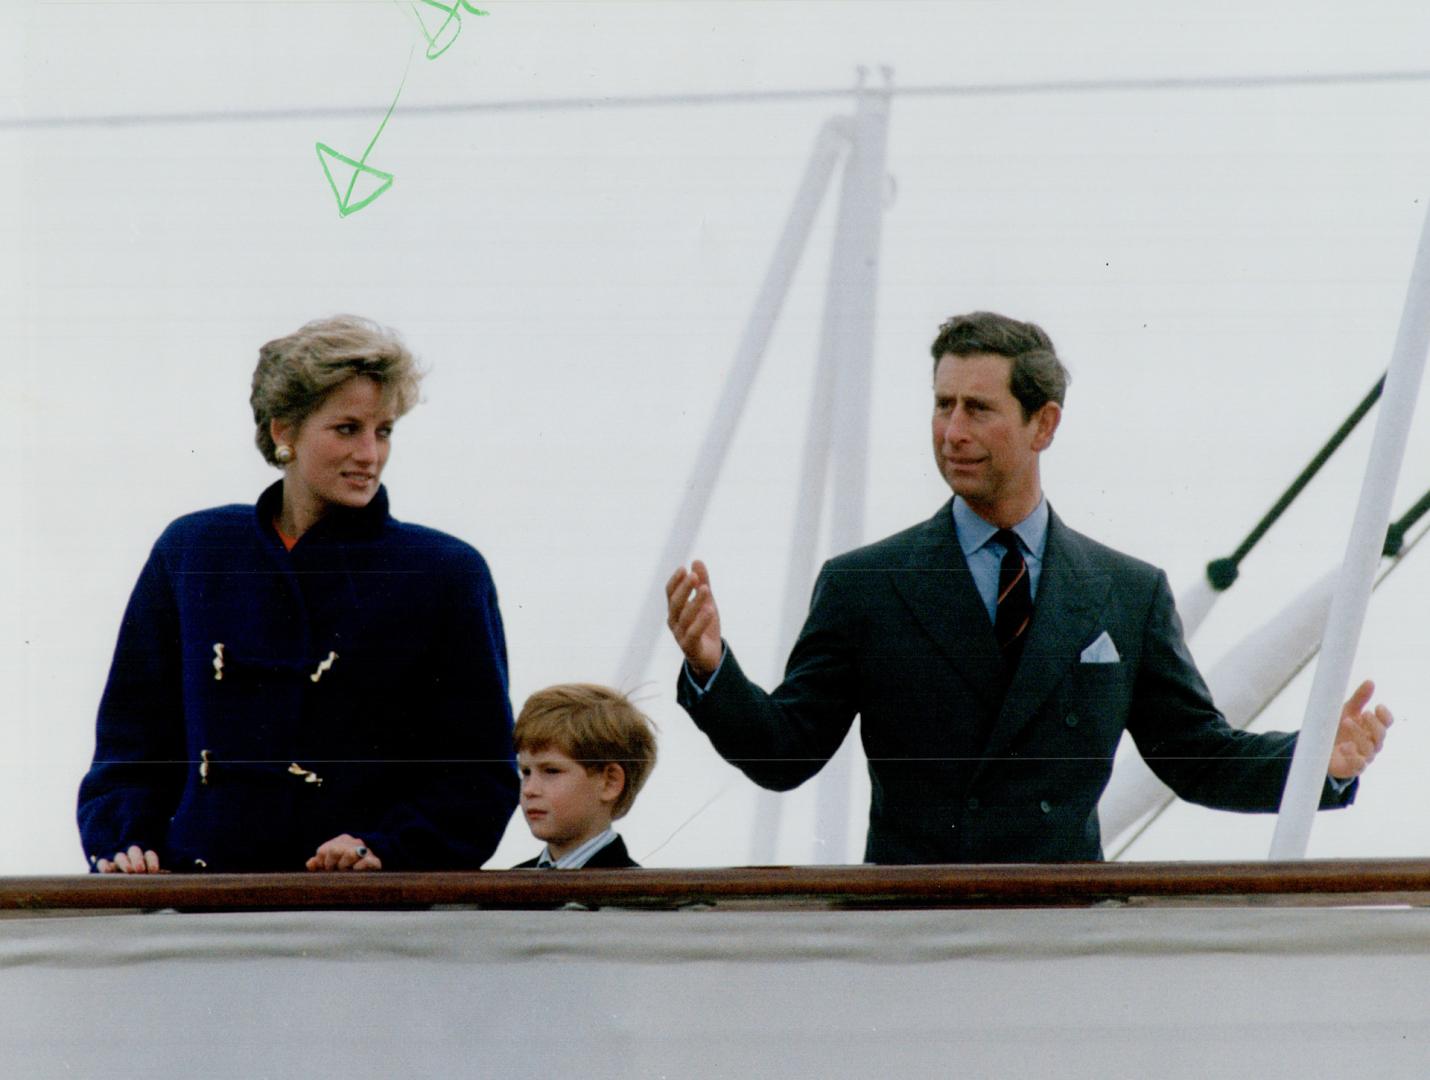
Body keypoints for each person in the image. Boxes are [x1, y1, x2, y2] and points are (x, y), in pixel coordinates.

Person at [665, 310, 1393, 864]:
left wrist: (1315, 763)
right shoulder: (866, 586)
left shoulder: (1126, 593)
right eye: (942, 405)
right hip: (906, 941)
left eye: (977, 409)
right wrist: (711, 669)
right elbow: (784, 755)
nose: (952, 431)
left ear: (1043, 424)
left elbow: (1196, 757)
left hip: (1058, 941)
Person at [77, 315, 518, 873]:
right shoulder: (192, 551)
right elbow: (131, 744)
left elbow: (480, 775)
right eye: (347, 428)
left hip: (363, 921)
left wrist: (385, 846)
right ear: (284, 430)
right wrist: (126, 842)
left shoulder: (446, 573)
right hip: (196, 908)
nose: (370, 454)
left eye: (383, 431)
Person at [511, 684, 657, 869]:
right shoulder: (506, 887)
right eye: (525, 772)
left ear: (609, 782)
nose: (529, 789)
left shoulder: (634, 893)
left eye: (551, 771)